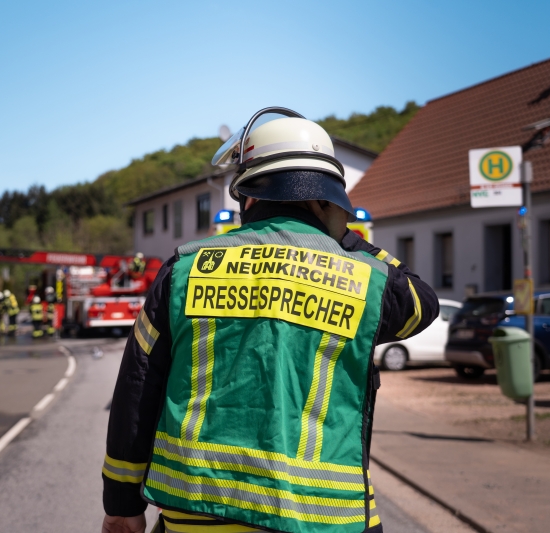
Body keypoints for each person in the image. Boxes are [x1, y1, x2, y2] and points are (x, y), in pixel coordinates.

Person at [101, 108, 439, 533]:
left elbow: (138, 387)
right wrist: (346, 240)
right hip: (324, 518)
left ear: (249, 195)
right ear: (330, 198)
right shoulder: (369, 280)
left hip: (198, 513)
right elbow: (423, 303)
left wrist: (122, 501)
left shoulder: (184, 269)